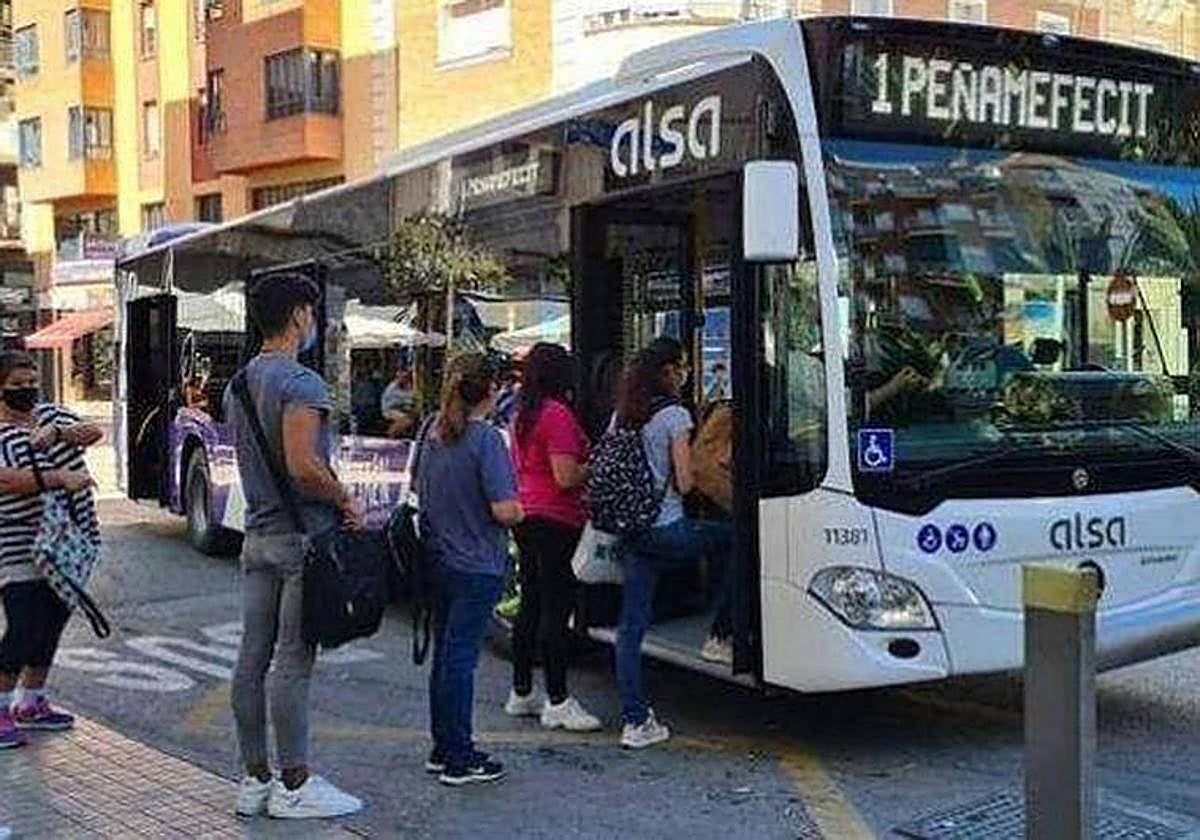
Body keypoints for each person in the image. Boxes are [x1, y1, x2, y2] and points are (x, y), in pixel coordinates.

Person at [223, 273, 364, 820]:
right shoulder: (301, 383)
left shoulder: (240, 383)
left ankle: (254, 779)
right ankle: (295, 783)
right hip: (299, 541)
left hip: (256, 537)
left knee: (251, 658)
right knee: (293, 663)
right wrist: (344, 498)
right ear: (301, 316)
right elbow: (304, 466)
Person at [612, 338, 733, 750]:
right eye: (680, 366)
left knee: (631, 626)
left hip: (632, 529)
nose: (685, 373)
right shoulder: (675, 416)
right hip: (666, 528)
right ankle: (721, 633)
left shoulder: (624, 414)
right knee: (736, 540)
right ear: (667, 372)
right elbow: (686, 480)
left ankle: (635, 719)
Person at [418, 352, 523, 786]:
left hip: (439, 559)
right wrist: (521, 509)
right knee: (461, 659)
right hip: (478, 563)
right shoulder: (486, 440)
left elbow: (418, 490)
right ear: (492, 390)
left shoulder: (431, 431)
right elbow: (504, 509)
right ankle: (460, 756)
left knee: (445, 656)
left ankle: (443, 748)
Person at [0, 351, 100, 750]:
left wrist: (58, 435)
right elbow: (6, 480)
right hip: (14, 542)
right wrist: (58, 477)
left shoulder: (50, 416)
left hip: (65, 543)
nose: (27, 390)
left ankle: (31, 702)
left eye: (30, 382)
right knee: (23, 625)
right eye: (16, 384)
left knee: (52, 621)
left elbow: (91, 432)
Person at [504, 343, 601, 732]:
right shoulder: (557, 414)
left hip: (526, 512)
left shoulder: (522, 414)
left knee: (530, 603)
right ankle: (558, 699)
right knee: (557, 609)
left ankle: (522, 690)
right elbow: (565, 476)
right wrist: (593, 464)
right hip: (557, 518)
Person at [380, 364, 416, 438]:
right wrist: (406, 404)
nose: (405, 379)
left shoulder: (409, 387)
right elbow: (391, 404)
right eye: (403, 377)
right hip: (390, 410)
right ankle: (391, 435)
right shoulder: (391, 388)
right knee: (404, 419)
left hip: (405, 409)